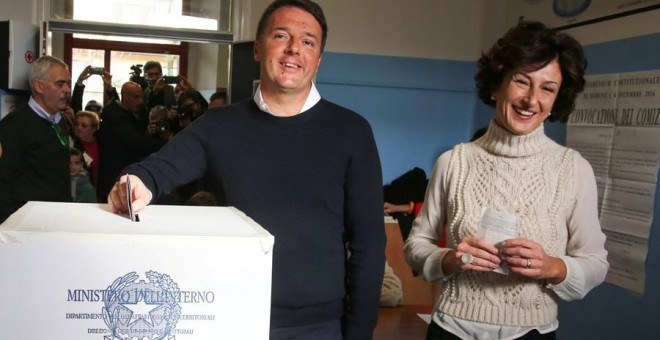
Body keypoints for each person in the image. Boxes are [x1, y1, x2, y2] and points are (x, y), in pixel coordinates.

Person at [107, 1, 385, 339]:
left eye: (308, 41)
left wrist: (359, 332)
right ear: (257, 48)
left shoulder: (351, 131)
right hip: (230, 314)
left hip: (319, 326)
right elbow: (159, 168)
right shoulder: (218, 125)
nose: (294, 48)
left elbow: (369, 243)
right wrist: (137, 182)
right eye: (281, 35)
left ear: (319, 59)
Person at [404, 21, 609, 340]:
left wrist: (553, 267)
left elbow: (596, 262)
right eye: (521, 81)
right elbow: (416, 246)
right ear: (496, 84)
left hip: (532, 331)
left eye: (547, 88)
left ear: (557, 98)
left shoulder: (573, 169)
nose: (531, 99)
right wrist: (450, 258)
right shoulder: (454, 162)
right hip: (452, 329)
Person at [0, 55, 72, 223]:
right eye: (60, 84)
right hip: (27, 225)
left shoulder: (61, 121)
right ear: (39, 86)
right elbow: (3, 180)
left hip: (57, 218)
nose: (68, 90)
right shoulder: (14, 125)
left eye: (68, 83)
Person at [97, 82, 168, 201]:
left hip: (123, 174)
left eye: (141, 97)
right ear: (125, 96)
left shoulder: (129, 113)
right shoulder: (116, 116)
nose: (140, 101)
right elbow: (135, 142)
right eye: (136, 97)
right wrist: (166, 143)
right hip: (115, 176)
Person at [73, 110, 101, 188]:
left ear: (94, 129)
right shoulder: (72, 145)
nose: (79, 128)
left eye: (84, 125)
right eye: (77, 124)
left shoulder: (102, 144)